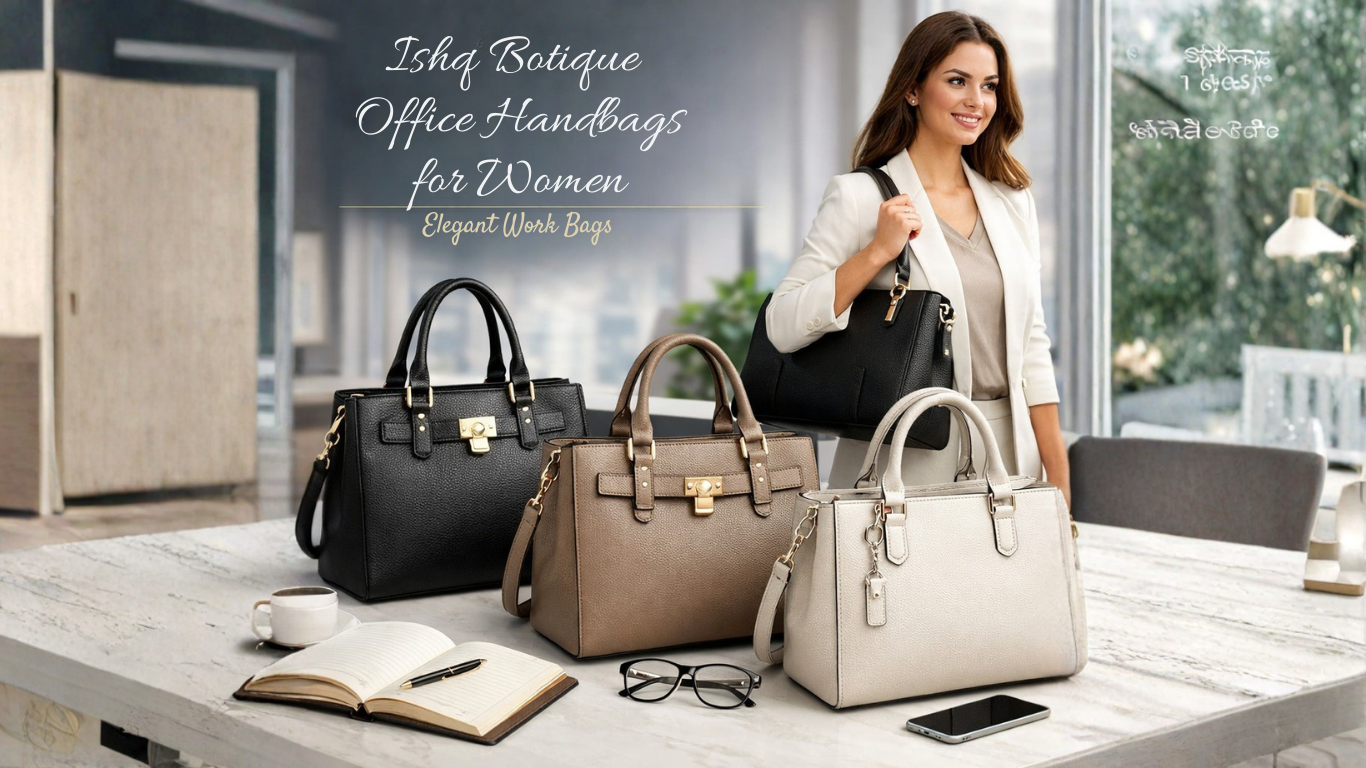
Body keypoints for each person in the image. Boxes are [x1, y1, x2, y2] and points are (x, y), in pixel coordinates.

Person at [765, 10, 1071, 505]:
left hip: (1010, 455)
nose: (977, 101)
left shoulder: (1012, 202)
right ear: (912, 89)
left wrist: (1058, 477)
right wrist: (877, 253)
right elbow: (782, 325)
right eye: (957, 81)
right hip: (907, 459)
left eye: (989, 86)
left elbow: (1032, 346)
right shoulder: (860, 198)